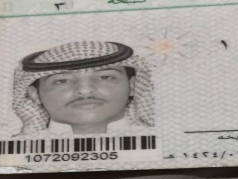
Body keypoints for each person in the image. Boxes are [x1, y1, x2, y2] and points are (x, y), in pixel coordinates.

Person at [13, 40, 154, 135]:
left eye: (105, 77)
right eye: (62, 81)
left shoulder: (160, 143)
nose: (85, 90)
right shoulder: (18, 153)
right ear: (35, 95)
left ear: (132, 86)